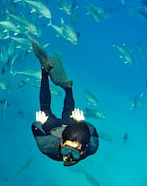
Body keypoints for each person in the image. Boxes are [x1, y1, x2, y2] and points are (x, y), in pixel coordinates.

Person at [30, 38, 99, 166]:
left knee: (45, 110)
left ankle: (45, 70)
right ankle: (68, 87)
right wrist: (81, 122)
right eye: (66, 150)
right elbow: (92, 130)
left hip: (52, 131)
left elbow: (35, 127)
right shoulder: (92, 145)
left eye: (75, 153)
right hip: (61, 131)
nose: (68, 157)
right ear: (61, 143)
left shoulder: (46, 145)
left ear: (83, 150)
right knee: (68, 112)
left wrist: (39, 122)